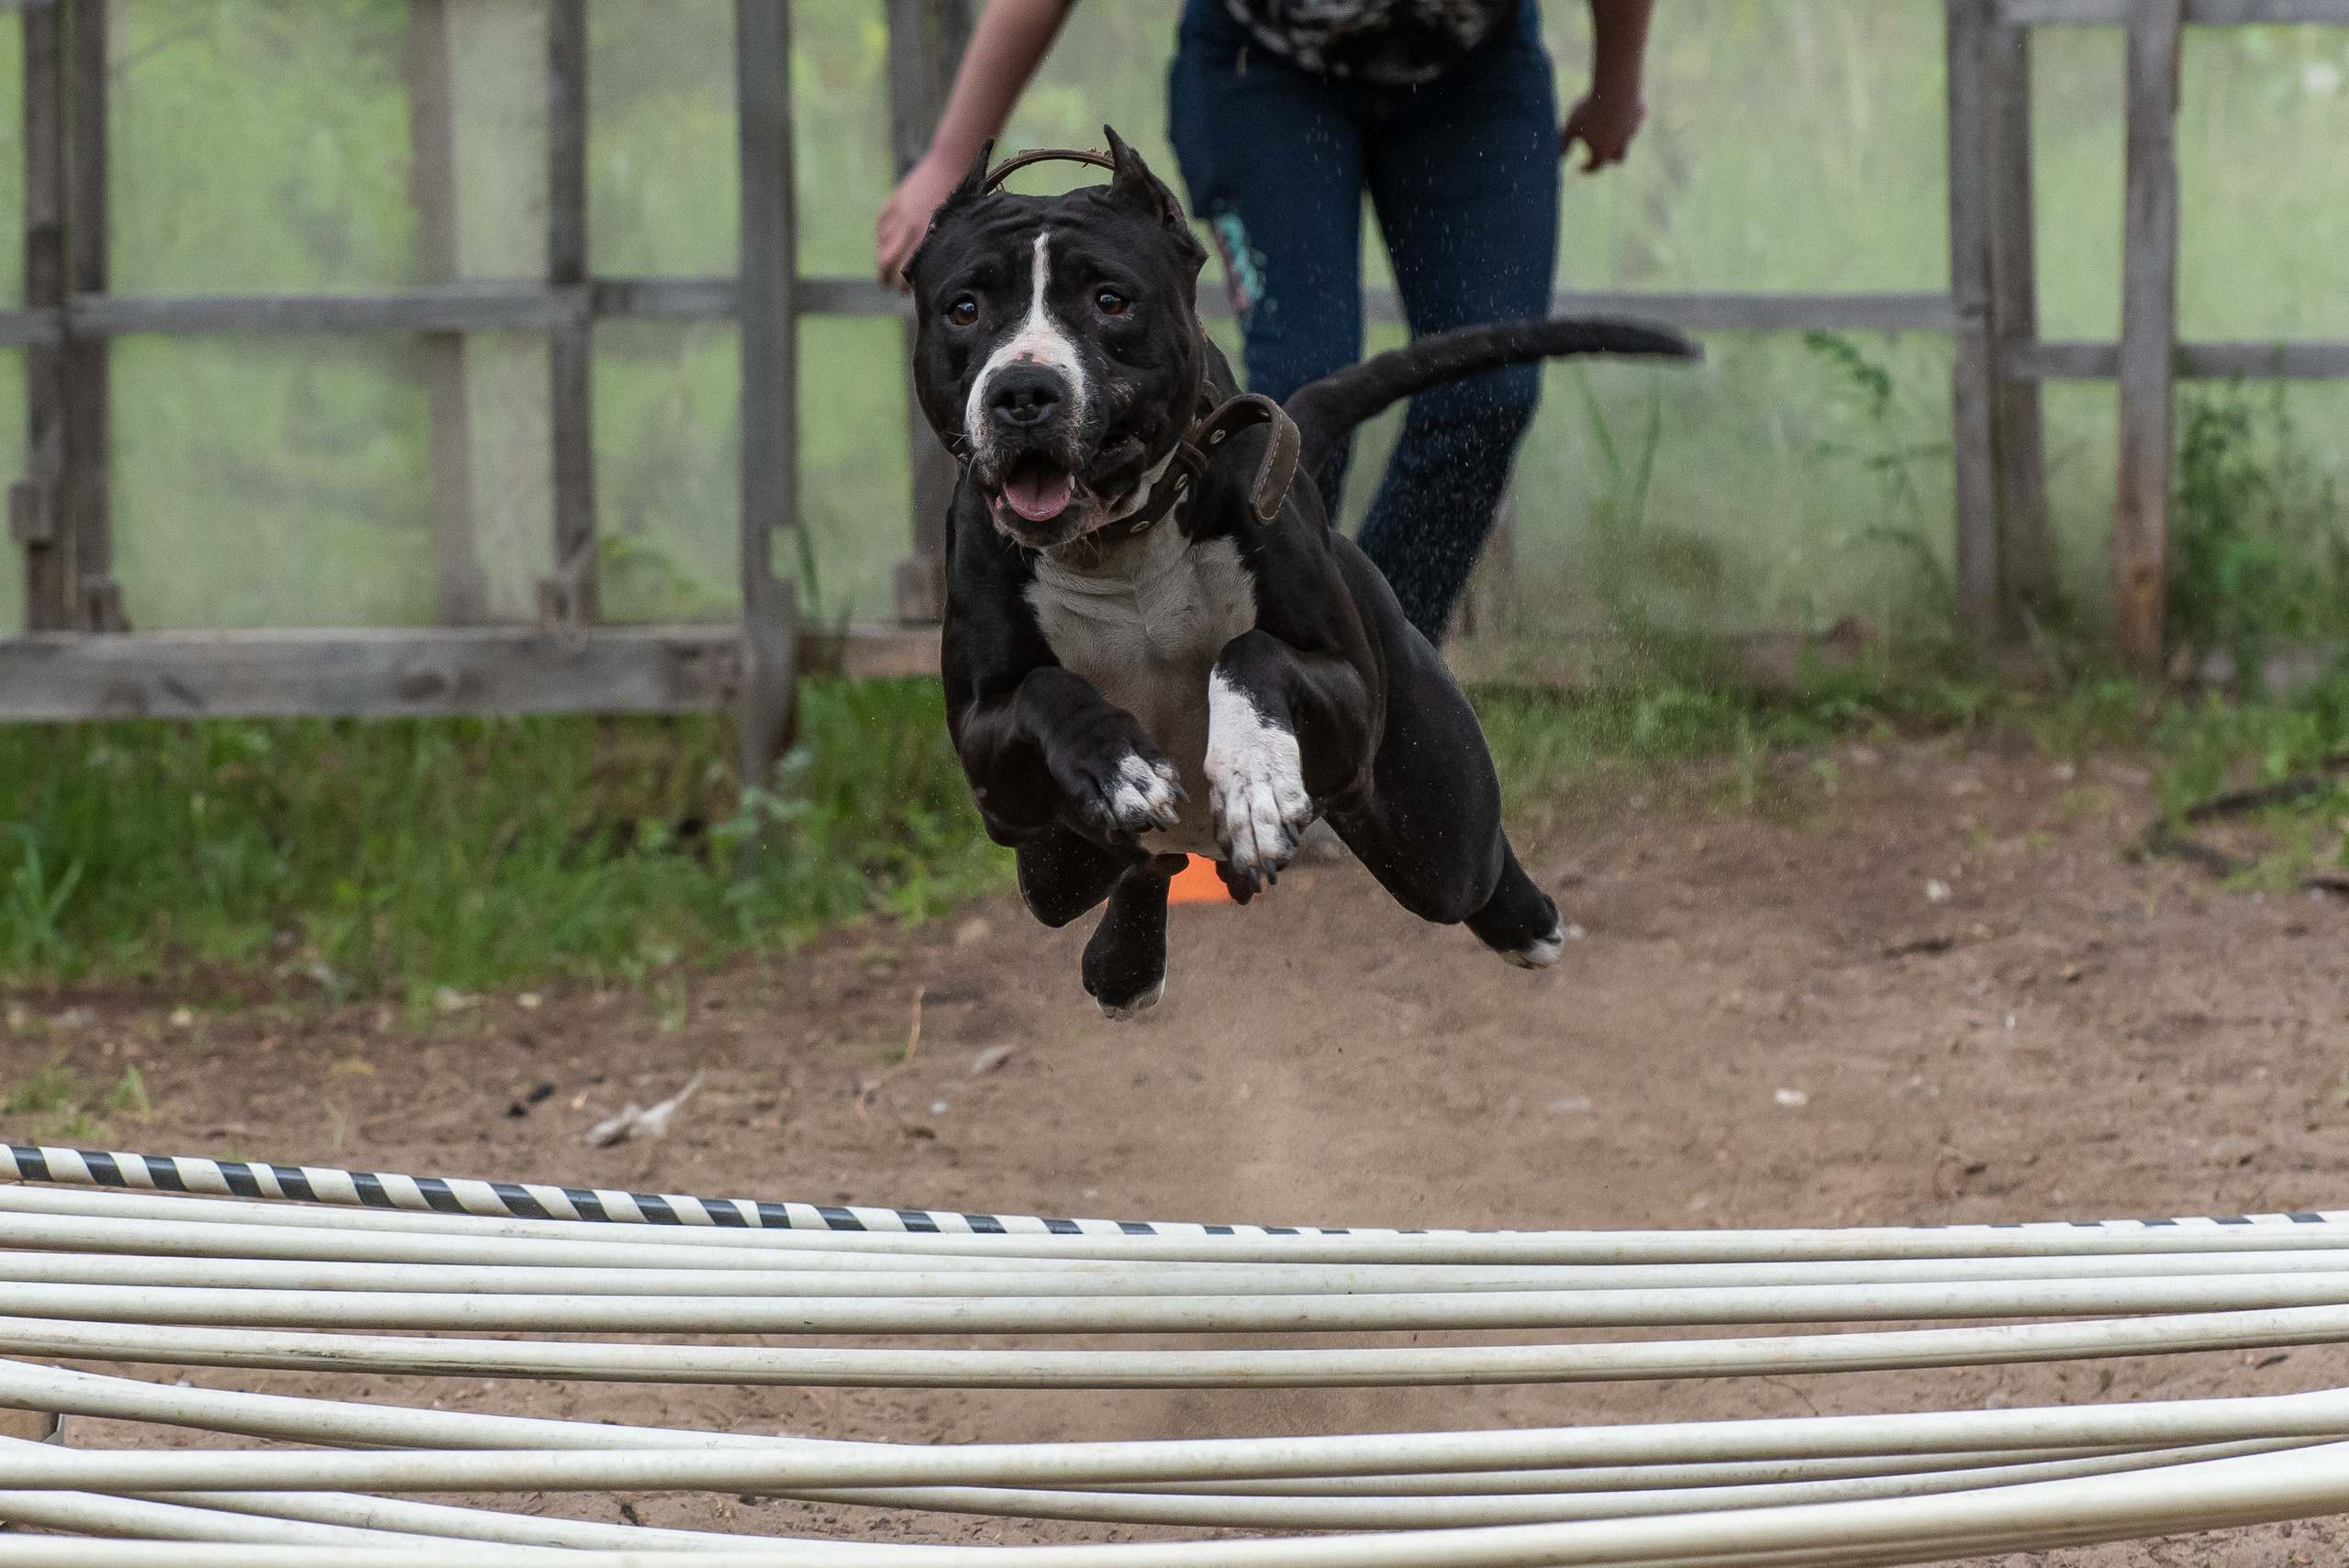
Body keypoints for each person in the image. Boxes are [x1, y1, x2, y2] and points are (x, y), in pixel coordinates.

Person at [876, 0, 1654, 648]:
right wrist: (949, 157)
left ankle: (1375, 660)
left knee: (1489, 392)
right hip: (1265, 74)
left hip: (1472, 75)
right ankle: (1265, 667)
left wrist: (1617, 80)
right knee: (1302, 387)